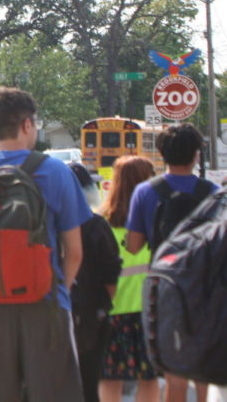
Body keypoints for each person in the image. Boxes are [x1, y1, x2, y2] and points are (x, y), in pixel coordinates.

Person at [0, 86, 91, 402]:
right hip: (47, 305)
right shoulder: (55, 172)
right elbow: (75, 252)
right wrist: (54, 286)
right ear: (26, 124)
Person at [125, 123, 218, 402]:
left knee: (174, 370)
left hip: (164, 288)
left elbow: (134, 246)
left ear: (162, 152)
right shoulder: (213, 192)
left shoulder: (144, 191)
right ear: (196, 154)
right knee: (205, 370)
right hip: (206, 290)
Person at [97, 156, 159, 402]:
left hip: (111, 311)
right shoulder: (154, 222)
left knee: (111, 378)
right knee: (149, 377)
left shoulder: (101, 223)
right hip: (149, 311)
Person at [67, 162, 122, 402]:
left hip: (48, 315)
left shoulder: (44, 224)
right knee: (90, 383)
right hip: (91, 317)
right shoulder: (96, 225)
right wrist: (103, 306)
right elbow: (112, 273)